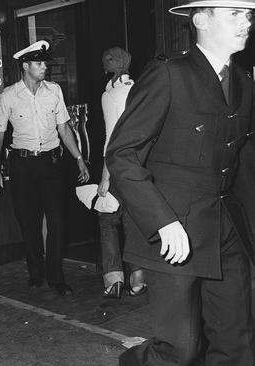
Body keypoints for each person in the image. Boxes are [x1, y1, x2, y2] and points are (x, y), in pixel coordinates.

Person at [106, 1, 255, 365]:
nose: (247, 21)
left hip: (225, 229)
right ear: (201, 19)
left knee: (238, 343)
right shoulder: (169, 74)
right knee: (181, 350)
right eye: (234, 13)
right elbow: (122, 154)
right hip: (177, 229)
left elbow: (243, 164)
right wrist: (163, 220)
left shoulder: (245, 84)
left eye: (249, 14)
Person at [0, 40, 90, 296]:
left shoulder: (54, 91)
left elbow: (64, 128)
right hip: (22, 164)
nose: (44, 67)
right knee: (28, 221)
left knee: (57, 221)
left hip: (52, 162)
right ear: (25, 66)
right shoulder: (9, 95)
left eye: (44, 63)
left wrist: (78, 157)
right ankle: (36, 272)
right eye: (39, 63)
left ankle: (56, 277)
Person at [97, 47, 147, 299]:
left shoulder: (110, 95)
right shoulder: (140, 89)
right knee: (133, 220)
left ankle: (114, 278)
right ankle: (138, 277)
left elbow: (111, 139)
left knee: (107, 220)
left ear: (108, 67)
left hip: (119, 165)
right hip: (143, 165)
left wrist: (105, 177)